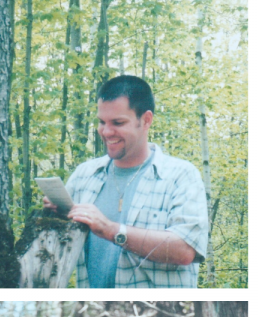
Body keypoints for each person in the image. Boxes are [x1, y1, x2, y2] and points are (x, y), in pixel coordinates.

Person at [43, 75, 209, 288]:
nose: (106, 131)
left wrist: (112, 231)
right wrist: (55, 215)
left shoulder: (181, 176)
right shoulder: (84, 175)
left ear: (146, 120)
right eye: (102, 122)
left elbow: (186, 250)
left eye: (118, 123)